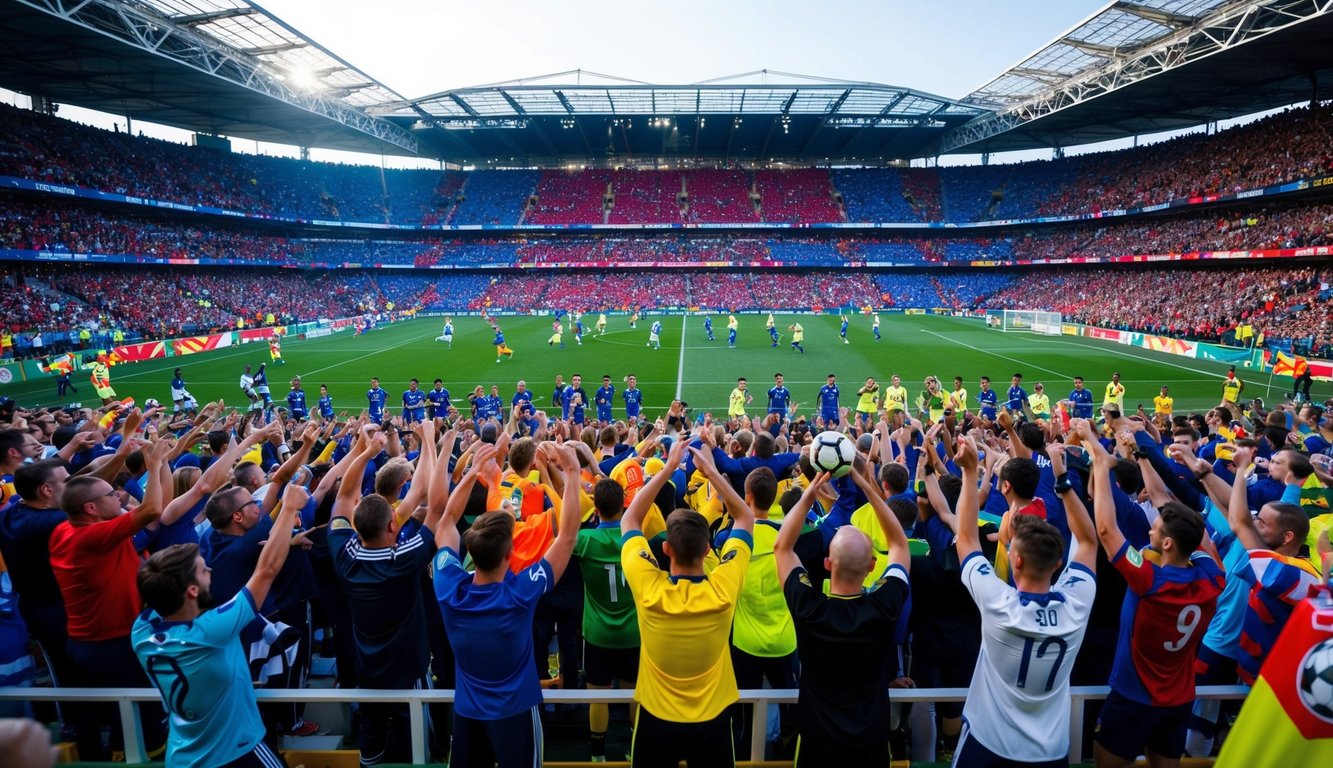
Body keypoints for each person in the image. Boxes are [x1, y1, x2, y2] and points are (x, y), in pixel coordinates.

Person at [132, 486, 307, 768]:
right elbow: (267, 569)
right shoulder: (212, 630)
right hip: (236, 751)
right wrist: (289, 508)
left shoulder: (141, 631)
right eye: (203, 570)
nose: (210, 570)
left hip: (182, 757)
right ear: (190, 590)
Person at [951, 435, 1099, 767]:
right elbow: (1089, 540)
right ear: (1058, 564)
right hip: (1050, 753)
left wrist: (970, 472)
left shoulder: (998, 603)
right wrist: (1063, 479)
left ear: (1015, 562)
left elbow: (965, 538)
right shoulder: (1076, 603)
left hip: (987, 745)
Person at [1084, 423, 1224, 768]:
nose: (1149, 528)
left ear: (1166, 543)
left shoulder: (1148, 579)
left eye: (1156, 529)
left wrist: (1102, 466)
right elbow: (1179, 518)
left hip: (1133, 698)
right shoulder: (1212, 577)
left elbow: (1105, 530)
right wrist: (1143, 457)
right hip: (1177, 701)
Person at [437, 440, 583, 767]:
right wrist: (571, 471)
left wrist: (471, 472)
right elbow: (568, 535)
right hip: (516, 712)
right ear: (508, 554)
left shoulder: (449, 587)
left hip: (467, 713)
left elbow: (445, 522)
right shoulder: (521, 593)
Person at [621, 440, 754, 768]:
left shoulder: (649, 590)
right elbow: (746, 518)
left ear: (666, 550)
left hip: (656, 720)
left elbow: (630, 520)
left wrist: (667, 470)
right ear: (708, 551)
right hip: (713, 721)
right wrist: (711, 473)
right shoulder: (723, 589)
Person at [775, 463, 911, 767]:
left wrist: (809, 494)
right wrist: (868, 488)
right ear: (873, 566)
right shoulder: (884, 605)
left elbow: (782, 548)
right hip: (870, 740)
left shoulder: (808, 608)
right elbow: (899, 544)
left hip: (816, 740)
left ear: (826, 564)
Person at [50, 432, 172, 760]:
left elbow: (84, 488)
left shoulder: (66, 527)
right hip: (112, 643)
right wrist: (156, 462)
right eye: (109, 494)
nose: (117, 494)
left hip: (87, 642)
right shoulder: (93, 535)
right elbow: (151, 510)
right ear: (91, 508)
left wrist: (121, 456)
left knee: (108, 713)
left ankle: (106, 753)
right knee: (139, 719)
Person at [330, 423, 445, 766]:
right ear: (393, 525)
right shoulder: (404, 559)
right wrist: (428, 441)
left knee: (372, 733)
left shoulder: (345, 556)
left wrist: (365, 452)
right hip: (409, 668)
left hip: (368, 667)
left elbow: (342, 498)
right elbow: (436, 506)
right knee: (419, 739)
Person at [575, 479, 639, 762]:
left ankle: (598, 756)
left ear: (595, 509)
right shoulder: (635, 541)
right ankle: (634, 750)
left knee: (597, 696)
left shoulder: (585, 540)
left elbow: (564, 533)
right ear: (623, 505)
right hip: (633, 634)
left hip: (598, 634)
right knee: (634, 693)